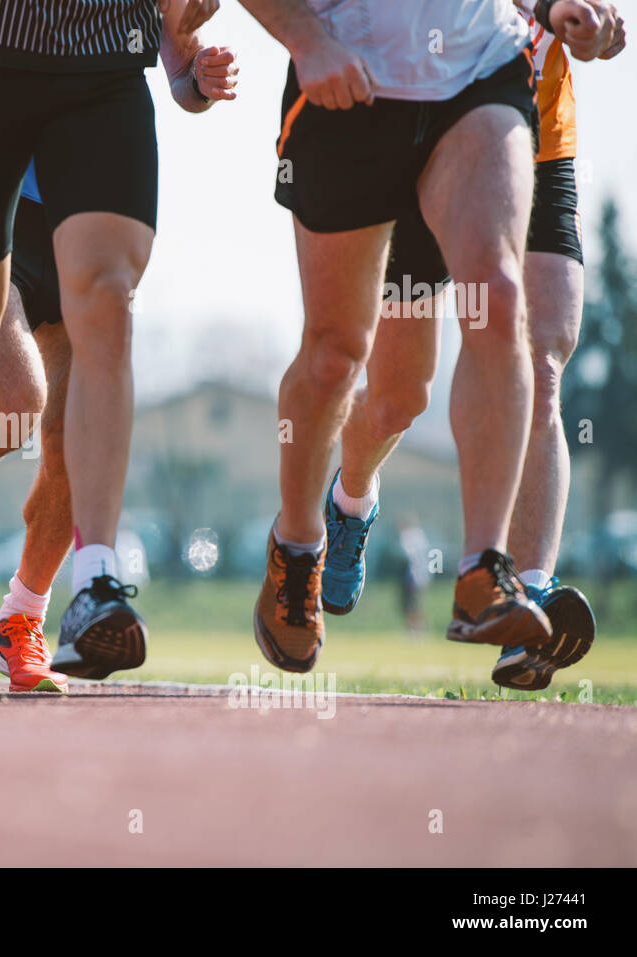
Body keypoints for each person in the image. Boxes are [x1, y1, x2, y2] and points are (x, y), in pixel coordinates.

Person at [236, 0, 618, 674]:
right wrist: (304, 38)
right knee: (355, 367)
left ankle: (491, 573)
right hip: (355, 85)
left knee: (502, 305)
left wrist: (571, 11)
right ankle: (306, 537)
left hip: (481, 77)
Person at [0, 0, 237, 690]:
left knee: (69, 427)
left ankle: (26, 616)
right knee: (12, 390)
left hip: (83, 171)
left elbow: (177, 65)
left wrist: (199, 77)